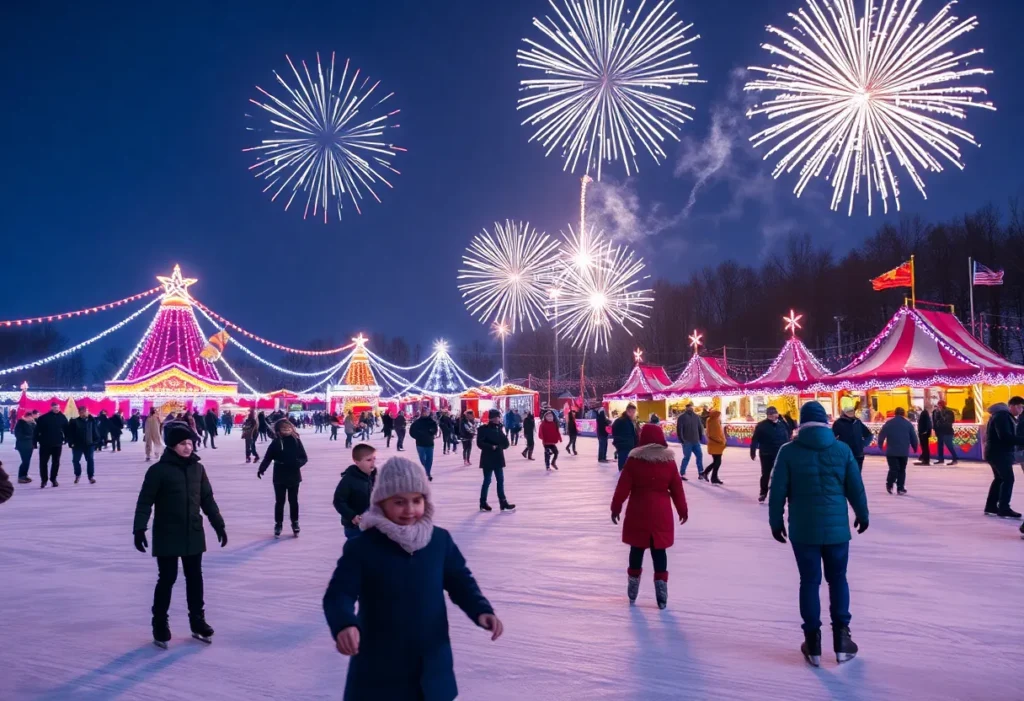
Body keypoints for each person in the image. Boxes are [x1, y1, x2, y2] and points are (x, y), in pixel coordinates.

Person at [323, 456, 503, 701]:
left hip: (431, 663)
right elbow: (339, 594)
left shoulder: (439, 541)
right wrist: (345, 623)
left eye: (416, 501)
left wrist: (481, 610)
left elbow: (461, 582)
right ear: (381, 503)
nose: (409, 510)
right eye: (399, 502)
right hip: (379, 667)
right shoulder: (363, 547)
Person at [769, 401, 869, 667]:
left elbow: (777, 489)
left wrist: (775, 521)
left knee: (809, 582)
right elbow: (855, 487)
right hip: (837, 531)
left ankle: (812, 641)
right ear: (826, 421)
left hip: (803, 530)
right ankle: (842, 640)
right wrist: (862, 513)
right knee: (838, 580)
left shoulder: (788, 452)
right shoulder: (842, 450)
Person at [134, 421, 226, 648]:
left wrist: (218, 524)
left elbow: (207, 499)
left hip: (193, 531)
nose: (188, 447)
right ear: (173, 445)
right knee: (167, 578)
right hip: (167, 532)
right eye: (183, 443)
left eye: (191, 443)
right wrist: (139, 528)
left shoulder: (198, 469)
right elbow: (145, 502)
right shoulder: (158, 471)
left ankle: (197, 621)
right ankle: (160, 623)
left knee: (195, 578)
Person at [611, 423, 687, 609]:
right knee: (659, 551)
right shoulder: (668, 462)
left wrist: (616, 507)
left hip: (638, 510)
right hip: (661, 513)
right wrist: (682, 510)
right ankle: (661, 593)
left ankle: (633, 586)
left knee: (636, 549)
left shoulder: (634, 461)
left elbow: (623, 487)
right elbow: (677, 488)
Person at [258, 419, 308, 538]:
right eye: (283, 429)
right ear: (278, 430)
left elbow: (304, 457)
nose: (286, 431)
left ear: (292, 429)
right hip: (279, 476)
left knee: (293, 501)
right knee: (280, 502)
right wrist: (262, 468)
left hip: (294, 476)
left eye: (288, 428)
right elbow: (268, 457)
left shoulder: (296, 441)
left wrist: (298, 463)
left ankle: (295, 522)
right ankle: (278, 524)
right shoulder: (276, 442)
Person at [983, 398, 1024, 518]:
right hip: (999, 453)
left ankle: (991, 506)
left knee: (1000, 479)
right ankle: (1004, 508)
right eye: (1020, 407)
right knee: (1008, 479)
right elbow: (1005, 437)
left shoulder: (1002, 415)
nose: (1021, 410)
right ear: (1013, 406)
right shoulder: (1002, 416)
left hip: (996, 452)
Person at [334, 443, 378, 539]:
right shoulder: (349, 480)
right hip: (355, 526)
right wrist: (352, 516)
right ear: (357, 462)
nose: (373, 463)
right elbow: (339, 501)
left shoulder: (377, 476)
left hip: (374, 525)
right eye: (368, 460)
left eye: (374, 459)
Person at [477, 408, 515, 512]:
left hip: (498, 458)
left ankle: (503, 502)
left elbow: (506, 444)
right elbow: (480, 443)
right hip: (488, 458)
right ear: (493, 418)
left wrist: (500, 445)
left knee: (500, 480)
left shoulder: (499, 428)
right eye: (498, 417)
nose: (499, 419)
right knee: (487, 481)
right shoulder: (483, 429)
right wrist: (491, 446)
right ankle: (483, 502)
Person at [751, 407, 790, 502]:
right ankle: (763, 492)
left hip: (779, 453)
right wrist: (752, 451)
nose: (773, 416)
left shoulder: (782, 424)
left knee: (781, 473)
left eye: (774, 414)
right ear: (767, 415)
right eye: (770, 414)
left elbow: (787, 434)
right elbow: (755, 439)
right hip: (766, 453)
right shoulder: (761, 425)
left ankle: (780, 492)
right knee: (765, 474)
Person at [877, 407, 919, 495]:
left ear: (895, 413)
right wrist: (915, 447)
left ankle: (889, 484)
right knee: (902, 470)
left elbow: (881, 435)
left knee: (893, 469)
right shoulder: (908, 424)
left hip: (891, 451)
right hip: (903, 451)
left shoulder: (889, 423)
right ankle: (900, 487)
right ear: (903, 414)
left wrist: (880, 445)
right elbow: (913, 437)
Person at [831, 400, 873, 472]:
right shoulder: (839, 423)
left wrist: (862, 444)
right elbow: (832, 438)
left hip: (858, 454)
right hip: (845, 454)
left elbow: (869, 435)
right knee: (848, 476)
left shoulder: (857, 422)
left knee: (856, 476)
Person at [34, 401, 68, 488]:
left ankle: (53, 479)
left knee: (56, 462)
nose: (57, 409)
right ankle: (44, 480)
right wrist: (35, 441)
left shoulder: (62, 417)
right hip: (45, 444)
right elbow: (36, 431)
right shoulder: (43, 418)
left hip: (57, 444)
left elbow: (66, 430)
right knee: (43, 463)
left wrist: (67, 439)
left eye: (58, 407)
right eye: (55, 407)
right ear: (51, 407)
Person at [68, 404, 101, 484]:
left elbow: (95, 431)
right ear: (79, 413)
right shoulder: (74, 421)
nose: (84, 413)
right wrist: (71, 442)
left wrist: (96, 441)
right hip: (77, 445)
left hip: (89, 444)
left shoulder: (92, 421)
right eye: (82, 412)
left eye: (85, 411)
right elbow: (70, 433)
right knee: (75, 460)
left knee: (90, 460)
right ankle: (77, 474)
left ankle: (91, 477)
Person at [676, 404, 705, 481]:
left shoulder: (696, 417)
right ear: (686, 408)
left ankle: (701, 472)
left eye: (691, 407)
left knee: (699, 456)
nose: (690, 409)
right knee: (687, 457)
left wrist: (700, 438)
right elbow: (679, 429)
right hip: (687, 441)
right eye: (689, 407)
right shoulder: (681, 417)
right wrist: (682, 440)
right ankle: (682, 473)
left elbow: (700, 427)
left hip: (696, 441)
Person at [409, 409, 438, 481]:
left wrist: (431, 432)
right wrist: (417, 436)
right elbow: (411, 431)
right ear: (421, 413)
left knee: (429, 459)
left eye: (426, 412)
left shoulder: (432, 422)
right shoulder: (417, 422)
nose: (425, 414)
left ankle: (427, 473)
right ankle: (425, 471)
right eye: (423, 413)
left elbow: (435, 430)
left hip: (429, 443)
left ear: (428, 413)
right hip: (420, 443)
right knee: (422, 459)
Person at [612, 404, 639, 472]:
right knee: (623, 465)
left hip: (629, 445)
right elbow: (615, 432)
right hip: (624, 446)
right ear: (628, 411)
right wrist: (619, 442)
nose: (633, 414)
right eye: (632, 412)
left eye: (634, 412)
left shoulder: (630, 421)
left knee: (628, 465)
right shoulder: (621, 421)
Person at [15, 410, 38, 484]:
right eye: (31, 417)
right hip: (23, 445)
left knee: (27, 461)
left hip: (30, 445)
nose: (32, 418)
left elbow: (36, 432)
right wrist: (30, 437)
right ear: (27, 416)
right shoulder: (21, 423)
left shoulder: (31, 423)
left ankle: (24, 475)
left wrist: (34, 423)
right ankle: (21, 476)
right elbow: (18, 435)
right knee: (25, 461)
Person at [704, 409, 727, 484]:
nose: (719, 416)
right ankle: (707, 474)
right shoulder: (713, 422)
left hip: (715, 444)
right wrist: (721, 441)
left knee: (717, 462)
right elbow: (714, 434)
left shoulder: (711, 420)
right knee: (717, 462)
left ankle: (713, 477)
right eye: (718, 415)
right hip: (716, 444)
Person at [932, 400, 958, 465]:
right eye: (938, 404)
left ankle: (955, 458)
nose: (939, 406)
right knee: (940, 446)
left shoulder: (949, 412)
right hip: (939, 431)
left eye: (940, 404)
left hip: (947, 431)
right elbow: (934, 421)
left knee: (949, 445)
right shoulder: (935, 411)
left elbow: (949, 421)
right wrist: (935, 429)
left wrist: (940, 413)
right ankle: (940, 459)